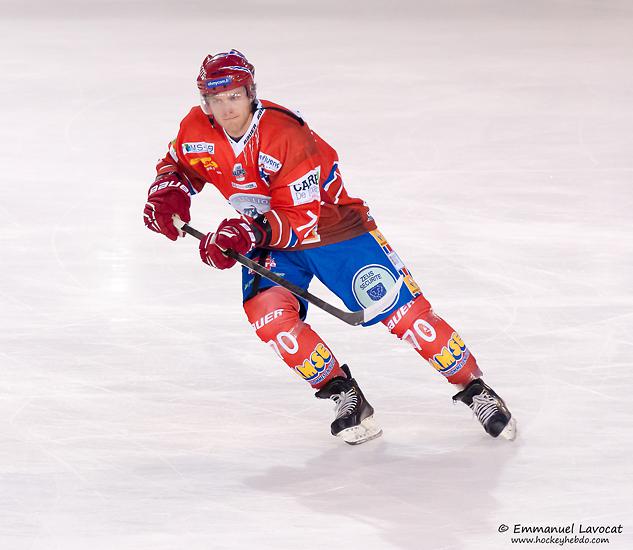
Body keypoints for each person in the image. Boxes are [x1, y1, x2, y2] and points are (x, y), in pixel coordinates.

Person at [143, 49, 516, 445]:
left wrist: (243, 233)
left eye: (234, 96)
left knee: (407, 317)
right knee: (270, 318)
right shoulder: (195, 129)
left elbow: (300, 219)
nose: (226, 108)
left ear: (251, 93)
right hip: (266, 237)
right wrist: (167, 193)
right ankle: (345, 394)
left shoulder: (286, 134)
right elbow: (179, 164)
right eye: (215, 100)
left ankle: (475, 389)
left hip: (334, 231)